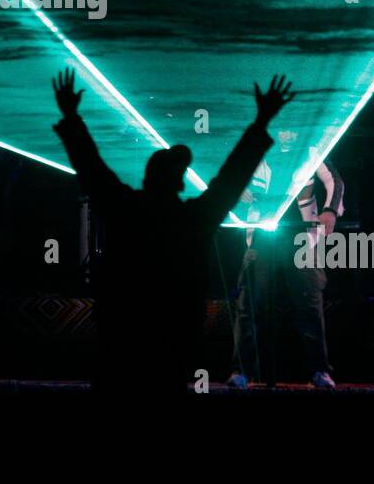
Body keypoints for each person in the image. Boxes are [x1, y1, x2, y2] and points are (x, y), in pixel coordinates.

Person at [51, 68, 295, 394]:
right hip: (172, 343)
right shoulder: (193, 219)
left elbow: (91, 167)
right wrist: (262, 121)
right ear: (179, 182)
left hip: (121, 340)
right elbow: (231, 179)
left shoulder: (125, 209)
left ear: (148, 178)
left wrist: (71, 117)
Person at [228, 158, 345, 390]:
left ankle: (319, 370)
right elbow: (230, 178)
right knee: (249, 304)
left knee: (309, 306)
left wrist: (330, 210)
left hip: (301, 238)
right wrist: (238, 192)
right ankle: (242, 370)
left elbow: (334, 179)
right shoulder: (259, 151)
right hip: (262, 235)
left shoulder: (311, 148)